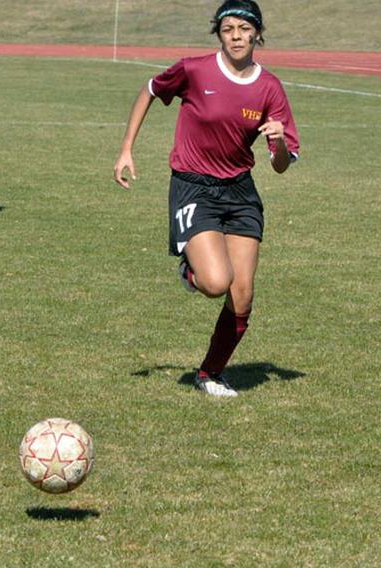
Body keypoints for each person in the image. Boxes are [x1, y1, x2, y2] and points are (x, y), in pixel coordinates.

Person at [113, 0, 300, 397]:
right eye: (228, 28)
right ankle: (190, 271)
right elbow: (149, 90)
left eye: (244, 29)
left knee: (243, 294)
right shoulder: (194, 70)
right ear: (219, 33)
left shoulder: (270, 87)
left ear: (257, 34)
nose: (236, 36)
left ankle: (209, 374)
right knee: (216, 283)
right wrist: (127, 148)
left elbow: (282, 165)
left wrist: (279, 141)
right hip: (193, 186)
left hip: (240, 191)